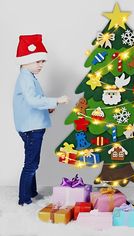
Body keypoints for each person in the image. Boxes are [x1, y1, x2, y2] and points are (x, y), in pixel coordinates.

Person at [13, 34, 69, 206]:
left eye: (42, 61)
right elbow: (33, 101)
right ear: (25, 60)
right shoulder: (25, 77)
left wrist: (48, 107)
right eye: (37, 61)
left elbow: (31, 101)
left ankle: (31, 191)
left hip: (32, 125)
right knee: (31, 163)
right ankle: (24, 199)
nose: (41, 65)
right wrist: (56, 100)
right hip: (31, 128)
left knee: (33, 161)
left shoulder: (28, 76)